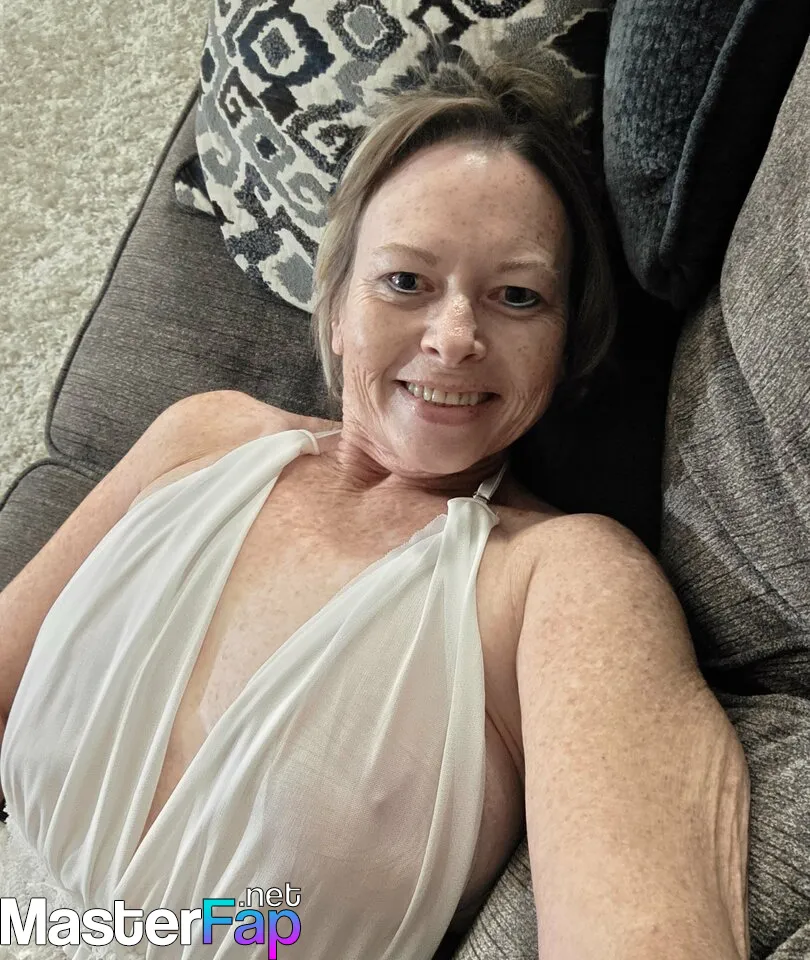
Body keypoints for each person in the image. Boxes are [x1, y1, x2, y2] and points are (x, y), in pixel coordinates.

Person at [0, 42, 749, 960]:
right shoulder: (202, 434)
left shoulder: (566, 581)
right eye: (405, 281)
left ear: (566, 346)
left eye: (517, 296)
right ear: (336, 306)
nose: (455, 336)